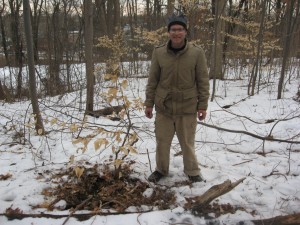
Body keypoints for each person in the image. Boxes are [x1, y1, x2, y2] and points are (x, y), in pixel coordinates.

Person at [144, 13, 210, 183]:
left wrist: (202, 106)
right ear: (168, 32)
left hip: (187, 107)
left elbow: (203, 81)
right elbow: (153, 80)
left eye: (180, 29)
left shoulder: (197, 53)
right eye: (173, 29)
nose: (176, 33)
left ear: (186, 32)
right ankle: (161, 170)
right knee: (162, 142)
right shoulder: (159, 53)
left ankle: (192, 171)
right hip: (164, 107)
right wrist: (149, 104)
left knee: (187, 143)